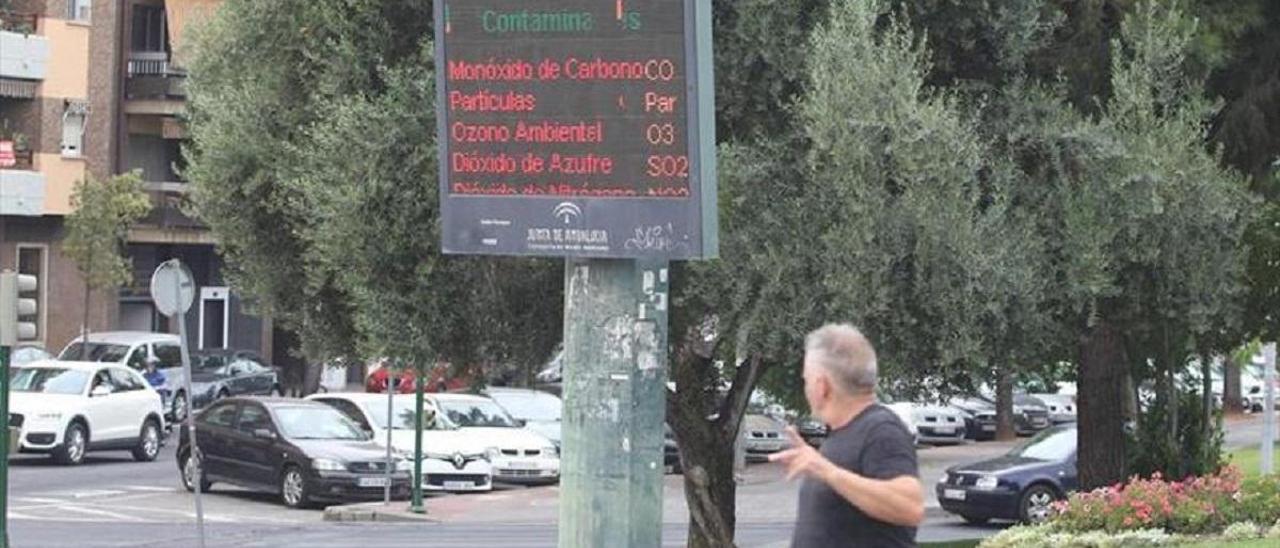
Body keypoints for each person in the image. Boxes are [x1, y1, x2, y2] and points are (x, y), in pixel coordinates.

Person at [770, 323, 924, 547]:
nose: (806, 388)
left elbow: (910, 507)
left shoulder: (881, 430)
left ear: (821, 386)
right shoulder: (843, 433)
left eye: (806, 380)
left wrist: (826, 470)